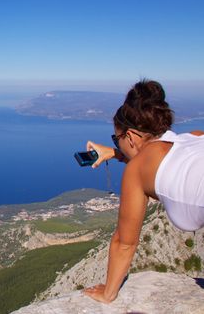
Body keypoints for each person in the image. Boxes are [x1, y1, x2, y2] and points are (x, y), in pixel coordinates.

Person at [82, 79, 204, 304]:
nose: (118, 146)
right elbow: (156, 159)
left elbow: (125, 242)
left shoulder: (136, 171)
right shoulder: (196, 137)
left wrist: (108, 293)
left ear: (130, 136)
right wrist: (116, 153)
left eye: (117, 140)